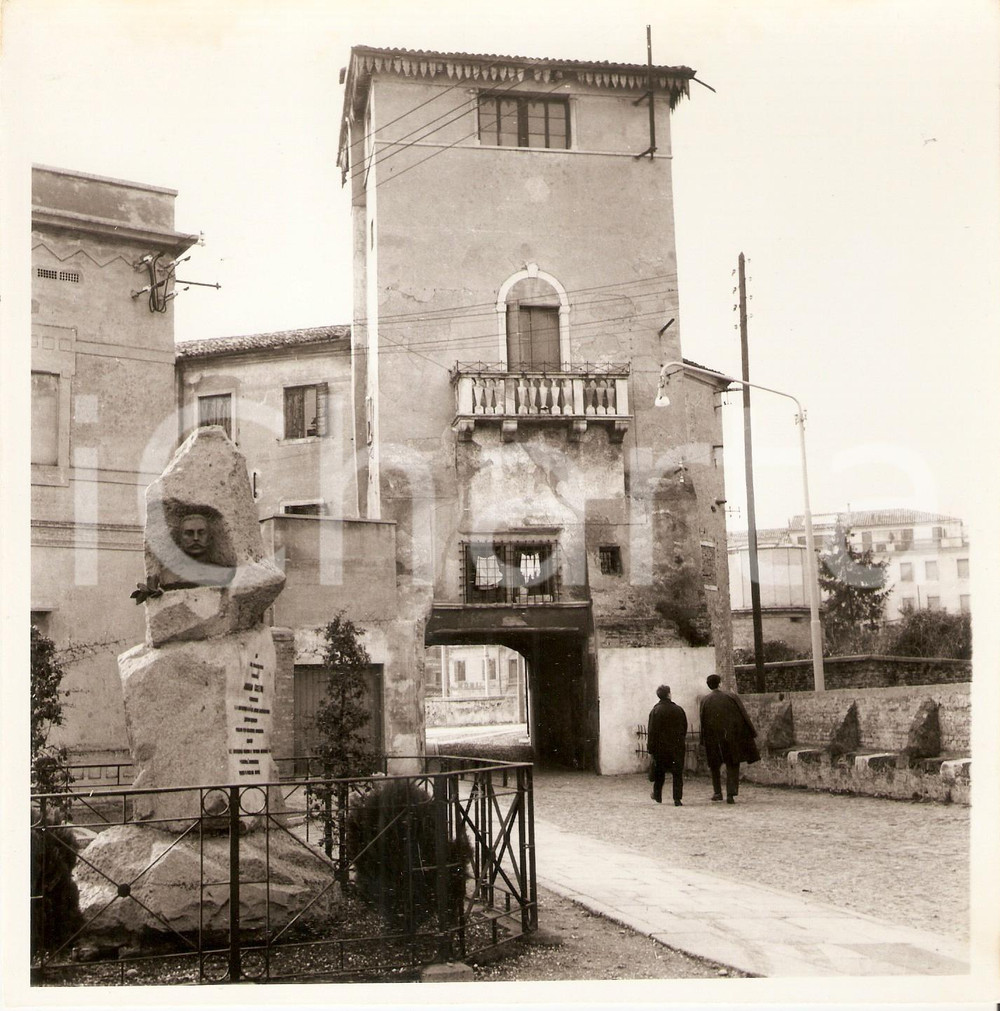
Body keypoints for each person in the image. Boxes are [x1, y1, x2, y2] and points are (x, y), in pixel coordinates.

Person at [698, 673, 760, 804]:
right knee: (732, 764)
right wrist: (750, 733)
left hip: (713, 739)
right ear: (720, 683)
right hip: (730, 737)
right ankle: (731, 794)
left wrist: (703, 739)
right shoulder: (731, 697)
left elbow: (702, 721)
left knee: (714, 765)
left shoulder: (705, 700)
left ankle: (717, 792)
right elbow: (743, 716)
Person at [647, 685, 688, 806]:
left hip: (660, 748)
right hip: (676, 746)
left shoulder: (655, 711)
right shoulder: (679, 710)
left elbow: (651, 731)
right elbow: (684, 728)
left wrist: (651, 748)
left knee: (659, 772)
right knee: (677, 773)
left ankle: (658, 795)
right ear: (669, 694)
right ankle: (677, 798)